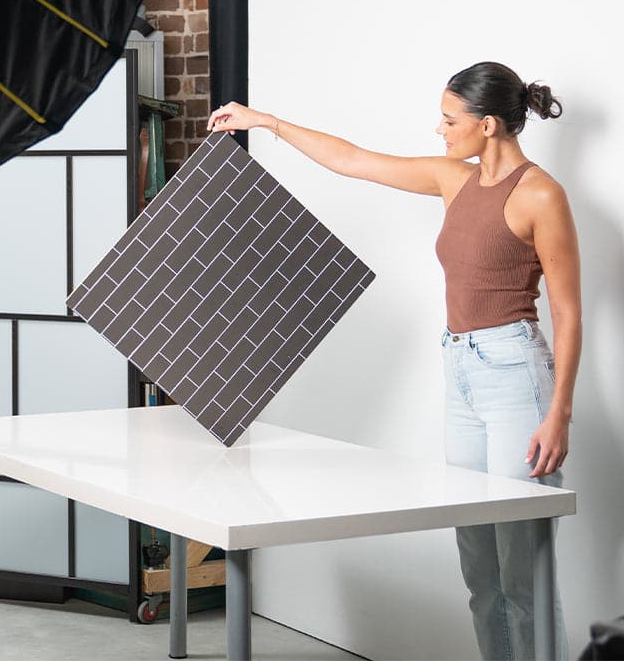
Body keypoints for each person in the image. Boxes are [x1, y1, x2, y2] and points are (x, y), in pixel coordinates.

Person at [207, 61, 581, 661]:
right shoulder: (453, 180)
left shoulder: (540, 194)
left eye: (449, 118)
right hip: (460, 370)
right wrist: (266, 122)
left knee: (522, 566)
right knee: (479, 569)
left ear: (487, 125)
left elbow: (567, 310)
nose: (439, 128)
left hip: (517, 378)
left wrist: (559, 410)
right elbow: (352, 159)